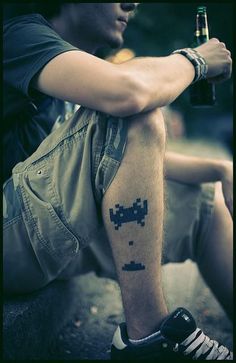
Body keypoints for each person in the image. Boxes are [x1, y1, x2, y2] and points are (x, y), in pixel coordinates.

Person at [3, 3, 233, 360]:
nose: (132, 3)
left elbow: (120, 157)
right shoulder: (17, 35)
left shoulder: (68, 66)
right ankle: (149, 336)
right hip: (10, 234)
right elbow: (128, 94)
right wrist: (195, 60)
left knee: (202, 201)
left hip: (41, 233)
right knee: (134, 113)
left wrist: (220, 170)